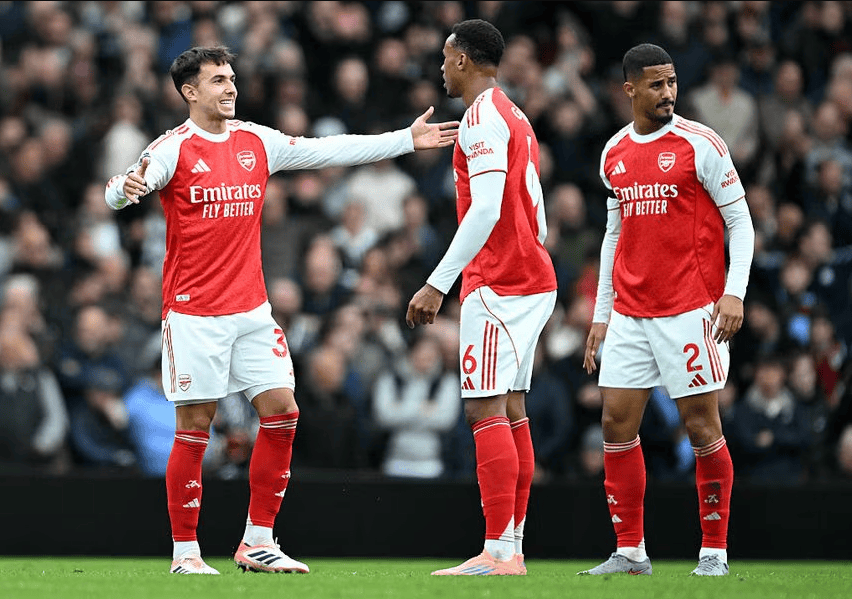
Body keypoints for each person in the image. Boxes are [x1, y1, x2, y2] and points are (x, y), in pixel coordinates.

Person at [103, 45, 458, 576]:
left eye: (232, 78)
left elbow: (328, 150)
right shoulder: (173, 148)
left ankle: (257, 541)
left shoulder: (256, 140)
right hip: (194, 314)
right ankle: (185, 553)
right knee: (195, 426)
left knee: (283, 413)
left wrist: (405, 140)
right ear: (190, 92)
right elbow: (122, 186)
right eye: (218, 80)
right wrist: (123, 191)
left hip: (251, 310)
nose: (230, 87)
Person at [580, 43, 755, 577]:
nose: (668, 92)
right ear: (629, 89)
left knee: (701, 426)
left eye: (672, 82)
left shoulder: (701, 143)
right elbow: (614, 235)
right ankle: (630, 551)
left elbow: (741, 222)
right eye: (656, 84)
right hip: (631, 312)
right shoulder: (613, 151)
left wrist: (734, 292)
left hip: (690, 309)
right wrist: (601, 314)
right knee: (615, 424)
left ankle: (714, 552)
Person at [406, 19, 558, 576]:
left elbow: (488, 207)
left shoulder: (480, 117)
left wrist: (437, 283)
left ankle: (496, 550)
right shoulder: (514, 113)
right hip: (530, 276)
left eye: (445, 58)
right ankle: (510, 548)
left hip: (500, 283)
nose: (441, 68)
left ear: (463, 60)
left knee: (483, 408)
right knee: (512, 409)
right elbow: (536, 213)